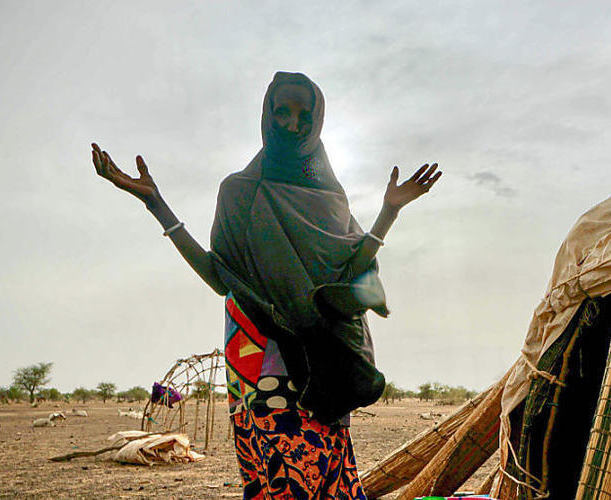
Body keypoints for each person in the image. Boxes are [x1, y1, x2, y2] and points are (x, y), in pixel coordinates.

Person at [92, 71, 441, 499]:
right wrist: (156, 204)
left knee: (329, 481)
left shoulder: (331, 197)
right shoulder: (239, 192)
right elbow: (218, 276)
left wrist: (389, 211)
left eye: (303, 115)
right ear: (266, 115)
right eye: (282, 112)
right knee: (280, 484)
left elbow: (351, 271)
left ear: (317, 121)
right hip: (258, 360)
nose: (292, 123)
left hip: (324, 362)